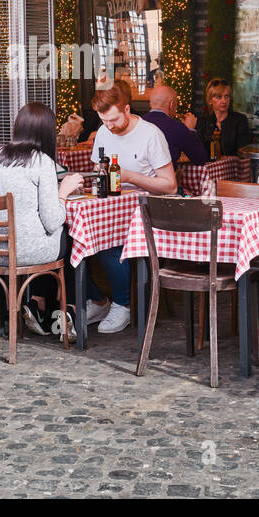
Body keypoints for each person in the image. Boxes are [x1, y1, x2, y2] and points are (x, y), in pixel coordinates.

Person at [0, 102, 85, 333]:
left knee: (44, 237)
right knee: (68, 236)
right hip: (19, 253)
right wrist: (63, 192)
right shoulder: (42, 162)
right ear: (47, 131)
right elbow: (52, 220)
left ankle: (37, 304)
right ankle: (70, 313)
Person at [85, 80, 177, 335]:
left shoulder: (151, 135)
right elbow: (97, 171)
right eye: (104, 121)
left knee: (107, 243)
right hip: (111, 208)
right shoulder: (104, 131)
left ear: (127, 109)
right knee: (69, 238)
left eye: (113, 119)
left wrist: (131, 177)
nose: (109, 126)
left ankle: (122, 304)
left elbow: (170, 186)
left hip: (147, 211)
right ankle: (96, 300)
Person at [143, 84, 207, 164]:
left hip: (134, 176)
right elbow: (200, 158)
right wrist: (190, 130)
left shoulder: (137, 123)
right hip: (165, 176)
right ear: (172, 104)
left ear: (150, 103)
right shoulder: (176, 127)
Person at [194, 77, 252, 158]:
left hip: (234, 167)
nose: (224, 101)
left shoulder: (240, 120)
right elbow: (198, 151)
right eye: (219, 97)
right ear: (210, 100)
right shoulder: (203, 122)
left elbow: (244, 150)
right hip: (209, 168)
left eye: (227, 96)